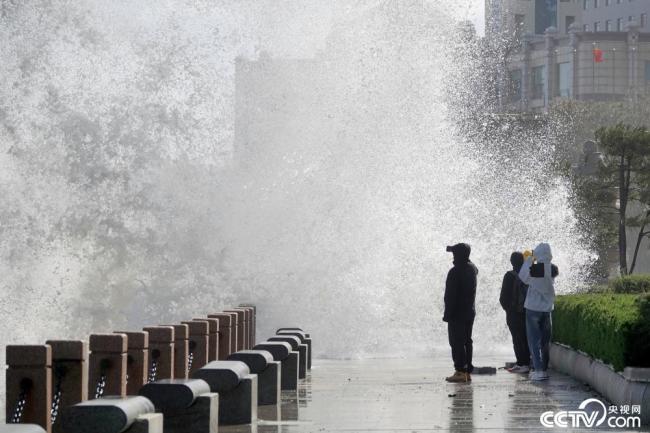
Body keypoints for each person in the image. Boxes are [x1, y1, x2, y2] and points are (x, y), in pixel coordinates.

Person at [518, 243, 559, 381]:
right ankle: (544, 368)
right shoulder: (551, 268)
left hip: (533, 309)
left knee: (534, 341)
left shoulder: (538, 268)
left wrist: (529, 259)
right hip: (547, 310)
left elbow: (523, 276)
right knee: (545, 342)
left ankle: (539, 370)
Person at [443, 243, 478, 383]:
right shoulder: (473, 268)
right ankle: (467, 371)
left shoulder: (455, 271)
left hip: (457, 313)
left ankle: (460, 371)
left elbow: (450, 296)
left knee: (456, 342)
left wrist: (447, 314)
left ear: (457, 255)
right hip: (470, 311)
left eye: (454, 253)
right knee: (467, 341)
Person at [499, 252, 531, 373]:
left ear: (512, 262)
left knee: (517, 339)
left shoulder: (509, 275)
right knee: (526, 337)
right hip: (527, 311)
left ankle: (522, 363)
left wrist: (508, 309)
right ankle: (527, 362)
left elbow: (503, 297)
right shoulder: (528, 274)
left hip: (514, 313)